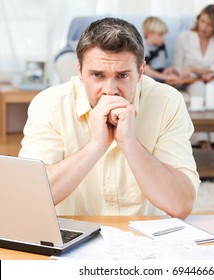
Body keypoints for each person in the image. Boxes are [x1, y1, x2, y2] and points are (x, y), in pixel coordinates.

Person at [19, 17, 200, 219]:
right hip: (73, 242)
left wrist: (130, 143)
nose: (110, 91)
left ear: (140, 72)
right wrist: (95, 146)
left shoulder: (167, 102)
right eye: (98, 75)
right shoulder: (49, 104)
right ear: (79, 71)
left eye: (123, 76)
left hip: (146, 240)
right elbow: (28, 197)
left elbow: (181, 205)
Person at [174, 4, 214, 151]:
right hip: (191, 80)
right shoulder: (184, 37)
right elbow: (179, 67)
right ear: (198, 20)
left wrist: (193, 68)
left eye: (210, 25)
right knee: (199, 89)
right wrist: (194, 72)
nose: (204, 27)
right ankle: (202, 139)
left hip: (213, 80)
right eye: (202, 22)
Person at [142, 16, 179, 82]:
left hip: (162, 80)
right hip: (150, 81)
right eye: (160, 35)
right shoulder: (143, 48)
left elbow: (162, 65)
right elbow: (147, 71)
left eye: (164, 35)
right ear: (149, 35)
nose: (163, 39)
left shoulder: (161, 45)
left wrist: (168, 70)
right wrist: (165, 77)